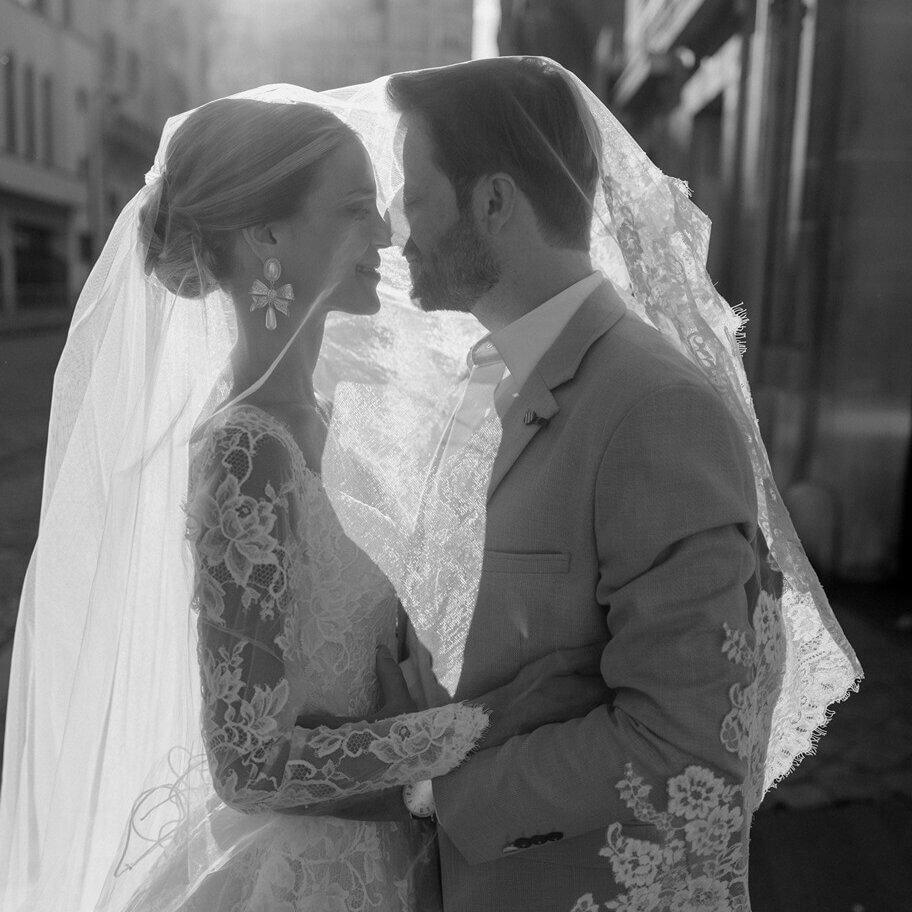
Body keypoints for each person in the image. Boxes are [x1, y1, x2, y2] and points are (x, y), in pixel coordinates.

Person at [0, 90, 606, 912]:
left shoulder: (328, 417)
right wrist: (489, 721)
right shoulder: (247, 450)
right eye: (357, 209)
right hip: (310, 876)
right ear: (267, 236)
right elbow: (248, 761)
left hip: (393, 846)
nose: (388, 234)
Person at [375, 57, 863, 912]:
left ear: (494, 202)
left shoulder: (652, 408)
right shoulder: (494, 382)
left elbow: (687, 743)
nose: (395, 226)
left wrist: (446, 784)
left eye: (415, 195)